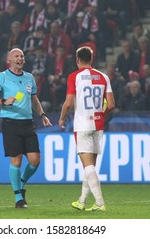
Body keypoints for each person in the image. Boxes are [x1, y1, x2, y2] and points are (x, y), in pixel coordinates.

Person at [0, 48, 52, 208]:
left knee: (35, 160)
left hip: (28, 122)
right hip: (10, 122)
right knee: (16, 160)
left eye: (22, 56)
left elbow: (34, 99)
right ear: (9, 59)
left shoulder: (29, 77)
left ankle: (21, 182)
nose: (20, 58)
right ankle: (18, 198)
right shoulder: (2, 77)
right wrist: (3, 101)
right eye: (16, 56)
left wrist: (42, 115)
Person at [58, 46, 115, 212]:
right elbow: (111, 104)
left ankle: (99, 203)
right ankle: (82, 201)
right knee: (90, 167)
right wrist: (100, 114)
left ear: (77, 60)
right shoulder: (104, 77)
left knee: (88, 166)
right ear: (92, 59)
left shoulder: (74, 77)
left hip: (82, 125)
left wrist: (62, 117)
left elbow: (68, 102)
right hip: (98, 125)